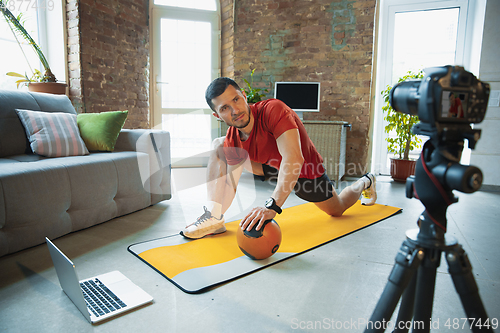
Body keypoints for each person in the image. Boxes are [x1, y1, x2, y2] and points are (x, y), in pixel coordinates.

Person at [180, 77, 377, 239]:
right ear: (217, 116)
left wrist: (272, 206)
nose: (235, 110)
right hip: (269, 166)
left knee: (337, 209)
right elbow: (230, 185)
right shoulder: (234, 137)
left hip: (303, 172)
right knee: (218, 145)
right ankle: (213, 217)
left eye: (236, 100)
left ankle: (365, 181)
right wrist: (218, 212)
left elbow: (293, 158)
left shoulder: (273, 110)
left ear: (244, 96)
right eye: (224, 108)